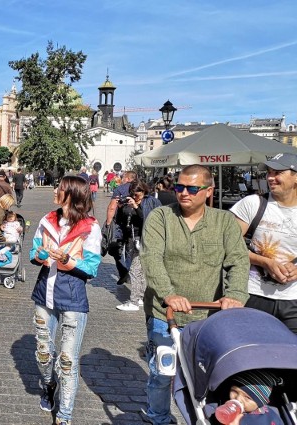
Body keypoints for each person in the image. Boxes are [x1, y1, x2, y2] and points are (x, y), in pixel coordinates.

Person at [140, 164, 250, 425]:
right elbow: (151, 258)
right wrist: (169, 294)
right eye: (179, 187)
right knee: (162, 372)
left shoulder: (224, 222)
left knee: (208, 375)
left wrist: (234, 295)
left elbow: (238, 261)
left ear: (209, 190)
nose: (184, 193)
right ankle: (158, 417)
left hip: (209, 314)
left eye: (192, 188)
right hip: (164, 313)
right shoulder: (161, 217)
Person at [29, 176, 102, 425]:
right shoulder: (46, 220)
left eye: (59, 188)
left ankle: (64, 415)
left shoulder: (90, 227)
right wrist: (41, 254)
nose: (54, 191)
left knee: (68, 360)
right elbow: (34, 250)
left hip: (72, 299)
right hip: (44, 294)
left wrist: (67, 260)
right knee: (43, 354)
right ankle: (49, 385)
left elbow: (92, 267)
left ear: (72, 194)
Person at [231, 153, 297, 334]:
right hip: (253, 295)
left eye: (278, 172)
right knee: (253, 354)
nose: (270, 178)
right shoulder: (253, 204)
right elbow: (228, 247)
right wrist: (264, 261)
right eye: (269, 172)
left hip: (294, 301)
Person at [114, 180, 161, 311]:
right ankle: (140, 297)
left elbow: (147, 219)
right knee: (139, 270)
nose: (135, 196)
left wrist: (136, 207)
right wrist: (122, 207)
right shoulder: (130, 203)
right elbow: (121, 220)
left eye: (137, 194)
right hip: (132, 239)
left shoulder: (150, 202)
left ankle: (134, 301)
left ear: (144, 191)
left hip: (145, 239)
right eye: (133, 194)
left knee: (135, 270)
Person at [217, 370, 284, 425]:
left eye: (248, 397)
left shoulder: (270, 418)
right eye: (234, 391)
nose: (238, 399)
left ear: (260, 403)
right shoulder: (221, 405)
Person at [105, 170, 137, 285]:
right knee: (130, 249)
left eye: (123, 177)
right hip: (135, 224)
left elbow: (112, 207)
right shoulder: (140, 188)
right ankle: (128, 272)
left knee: (115, 248)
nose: (122, 179)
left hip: (120, 223)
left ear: (128, 178)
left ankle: (124, 271)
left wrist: (108, 223)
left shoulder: (120, 189)